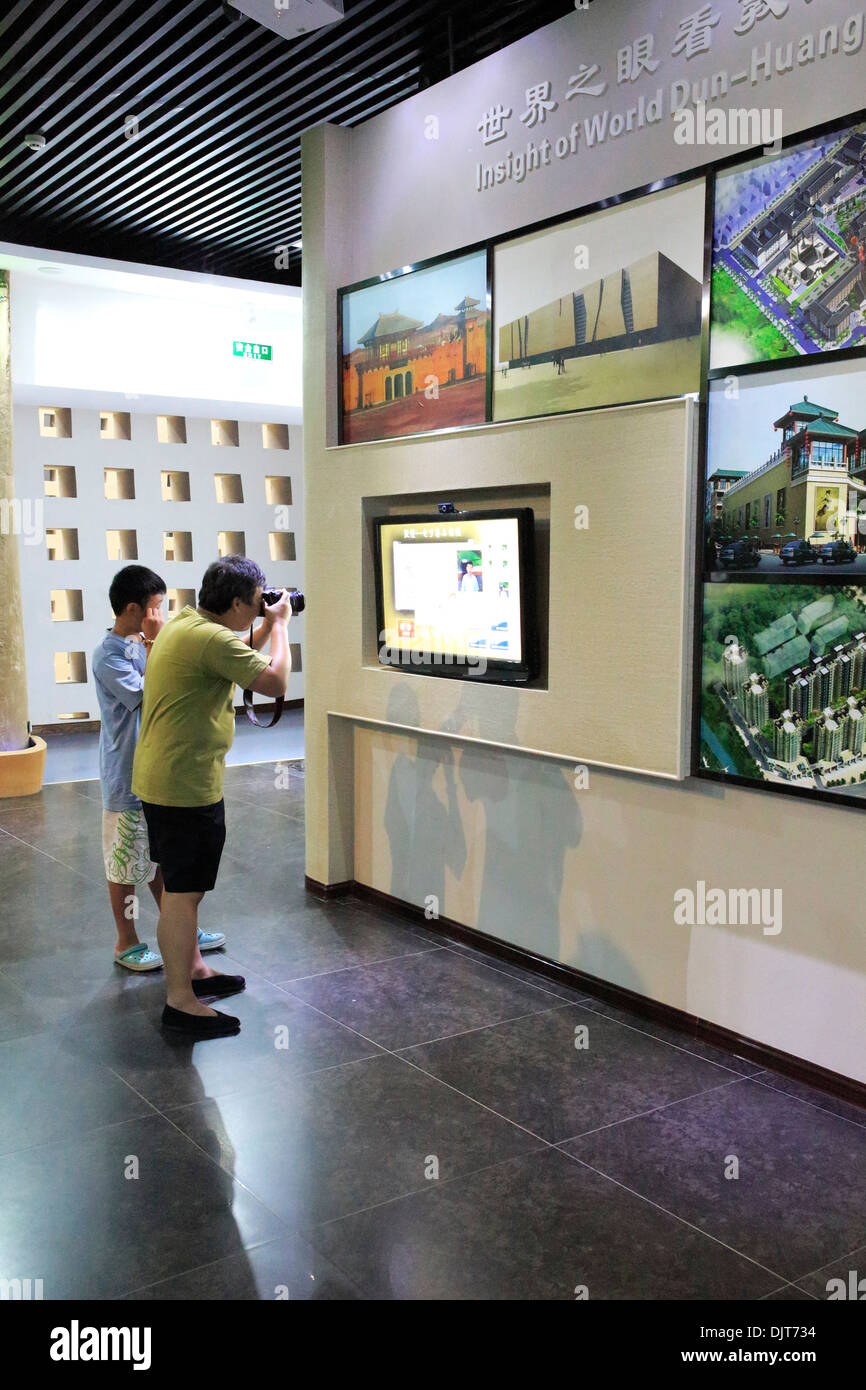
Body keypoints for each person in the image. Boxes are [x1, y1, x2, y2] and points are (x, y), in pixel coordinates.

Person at [132, 556, 291, 1039]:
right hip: (184, 786)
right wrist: (280, 625)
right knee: (184, 894)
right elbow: (275, 681)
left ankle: (195, 973)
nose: (264, 605)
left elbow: (233, 651)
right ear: (240, 602)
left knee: (183, 887)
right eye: (258, 600)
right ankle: (181, 1003)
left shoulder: (188, 620)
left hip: (166, 778)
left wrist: (261, 625)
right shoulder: (212, 638)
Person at [92, 566, 230, 972]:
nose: (162, 615)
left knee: (163, 859)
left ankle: (181, 928)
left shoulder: (143, 642)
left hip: (157, 775)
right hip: (125, 776)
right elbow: (152, 697)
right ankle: (126, 941)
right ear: (133, 608)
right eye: (155, 608)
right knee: (124, 864)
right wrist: (155, 643)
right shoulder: (109, 654)